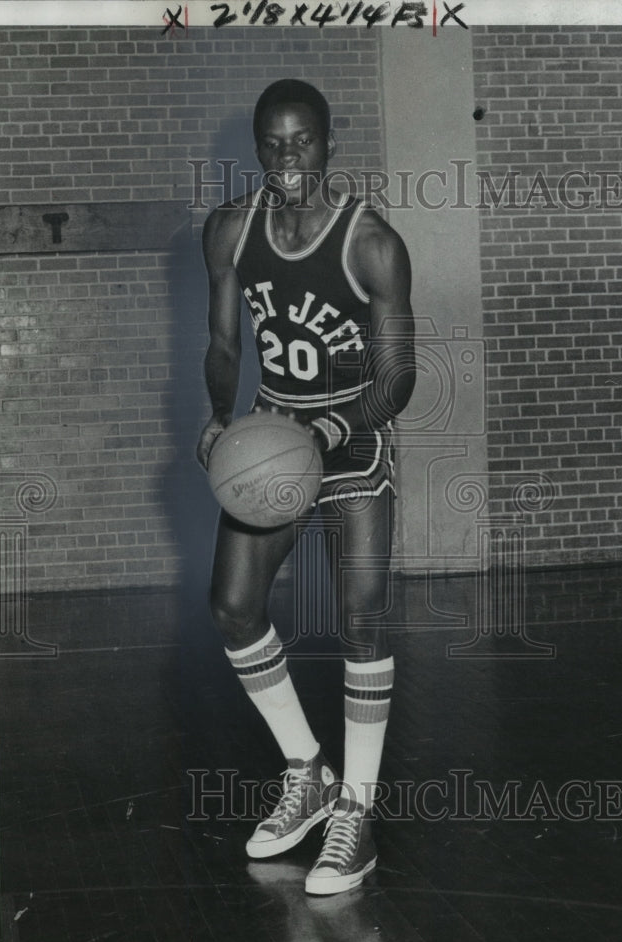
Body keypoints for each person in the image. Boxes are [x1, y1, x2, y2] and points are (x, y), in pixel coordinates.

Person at [197, 79, 415, 896]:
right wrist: (220, 416)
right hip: (270, 436)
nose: (288, 158)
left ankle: (354, 815)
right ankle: (307, 773)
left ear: (329, 142)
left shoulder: (373, 244)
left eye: (303, 142)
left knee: (360, 623)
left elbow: (398, 378)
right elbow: (223, 342)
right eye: (273, 143)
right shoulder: (228, 231)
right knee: (231, 606)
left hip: (349, 441)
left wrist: (329, 429)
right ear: (256, 146)